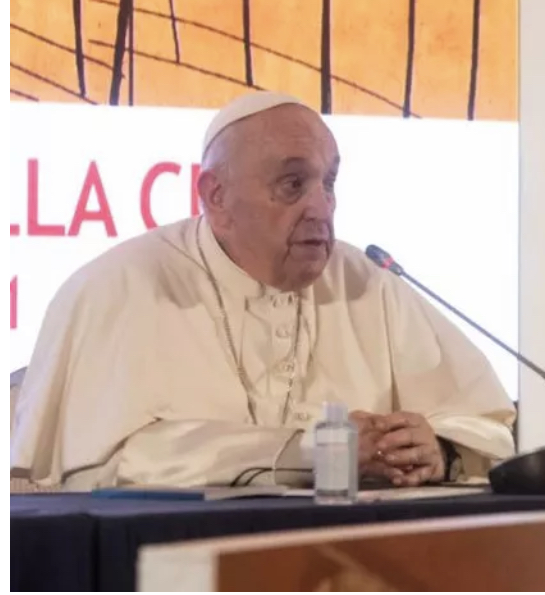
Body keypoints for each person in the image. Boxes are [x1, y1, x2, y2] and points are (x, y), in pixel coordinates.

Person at [11, 92, 516, 489]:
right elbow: (105, 464)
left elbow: (487, 426)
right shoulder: (122, 285)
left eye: (328, 183)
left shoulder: (368, 284)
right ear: (216, 196)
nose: (321, 208)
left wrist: (438, 449)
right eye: (293, 184)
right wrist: (308, 453)